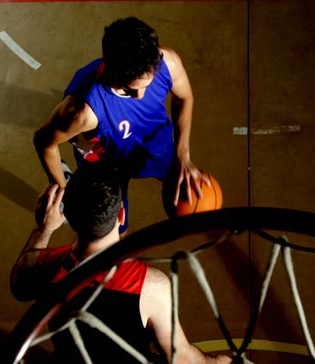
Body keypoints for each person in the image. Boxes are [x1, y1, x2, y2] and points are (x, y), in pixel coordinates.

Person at [10, 163, 253, 364]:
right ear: (121, 215)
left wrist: (44, 229)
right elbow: (180, 357)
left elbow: (19, 284)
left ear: (66, 214)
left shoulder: (44, 266)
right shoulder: (150, 284)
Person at [32, 16, 206, 234]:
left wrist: (183, 154)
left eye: (146, 86)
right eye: (131, 90)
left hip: (152, 142)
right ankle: (71, 179)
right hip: (106, 164)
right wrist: (62, 189)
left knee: (194, 194)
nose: (140, 96)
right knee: (114, 231)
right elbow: (43, 141)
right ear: (110, 70)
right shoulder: (81, 111)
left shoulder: (168, 62)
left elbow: (184, 98)